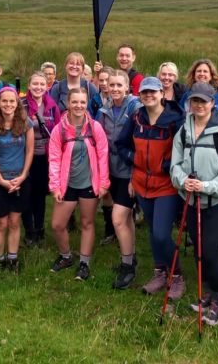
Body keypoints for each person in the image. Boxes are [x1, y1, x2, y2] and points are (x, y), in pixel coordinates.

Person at [169, 82, 218, 326]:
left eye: (203, 101)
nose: (198, 105)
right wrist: (182, 181)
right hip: (190, 198)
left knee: (210, 252)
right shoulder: (184, 129)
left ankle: (217, 299)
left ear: (213, 103)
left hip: (217, 201)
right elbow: (175, 164)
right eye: (194, 101)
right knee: (199, 251)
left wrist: (206, 187)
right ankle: (206, 292)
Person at [117, 76, 186, 296]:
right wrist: (134, 160)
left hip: (166, 185)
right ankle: (159, 273)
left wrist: (167, 165)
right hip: (141, 183)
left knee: (161, 234)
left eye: (152, 92)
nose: (148, 95)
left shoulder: (176, 119)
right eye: (144, 92)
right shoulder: (137, 117)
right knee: (153, 231)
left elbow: (184, 150)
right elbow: (121, 144)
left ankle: (176, 276)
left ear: (161, 94)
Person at [47, 87, 110, 281]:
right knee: (57, 224)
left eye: (82, 102)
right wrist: (55, 186)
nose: (78, 106)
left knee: (87, 222)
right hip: (67, 184)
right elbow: (54, 158)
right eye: (75, 102)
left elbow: (103, 155)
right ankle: (66, 256)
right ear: (68, 103)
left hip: (89, 183)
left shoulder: (95, 127)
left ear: (86, 103)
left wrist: (103, 183)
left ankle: (84, 263)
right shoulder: (59, 129)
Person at [95, 70, 142, 288]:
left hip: (129, 172)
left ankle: (127, 268)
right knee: (127, 219)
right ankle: (130, 257)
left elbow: (139, 143)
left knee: (117, 219)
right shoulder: (103, 110)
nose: (114, 89)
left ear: (127, 87)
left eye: (118, 85)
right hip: (111, 170)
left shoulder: (135, 109)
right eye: (111, 85)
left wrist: (135, 176)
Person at [0, 87, 34, 272]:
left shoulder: (26, 123)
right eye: (4, 101)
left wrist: (23, 176)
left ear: (17, 103)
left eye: (12, 101)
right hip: (0, 179)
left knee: (14, 221)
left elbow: (29, 151)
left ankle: (13, 258)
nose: (8, 104)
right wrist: (0, 179)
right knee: (2, 222)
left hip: (20, 179)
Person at [21, 71, 61, 245]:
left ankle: (40, 228)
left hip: (44, 157)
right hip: (24, 156)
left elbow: (58, 131)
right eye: (35, 84)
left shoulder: (52, 106)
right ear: (29, 86)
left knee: (40, 195)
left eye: (42, 84)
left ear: (47, 87)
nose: (38, 87)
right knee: (26, 193)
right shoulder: (20, 105)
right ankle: (29, 231)